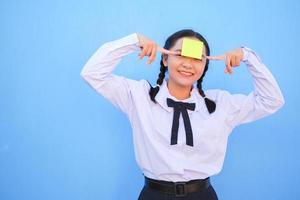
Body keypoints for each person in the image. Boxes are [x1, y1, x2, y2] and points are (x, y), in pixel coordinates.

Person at [80, 29, 285, 200]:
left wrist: (248, 57)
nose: (188, 64)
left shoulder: (220, 104)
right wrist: (134, 41)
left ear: (205, 65)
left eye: (197, 58)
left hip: (202, 195)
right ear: (165, 58)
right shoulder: (138, 96)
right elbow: (92, 73)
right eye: (180, 54)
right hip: (154, 195)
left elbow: (272, 100)